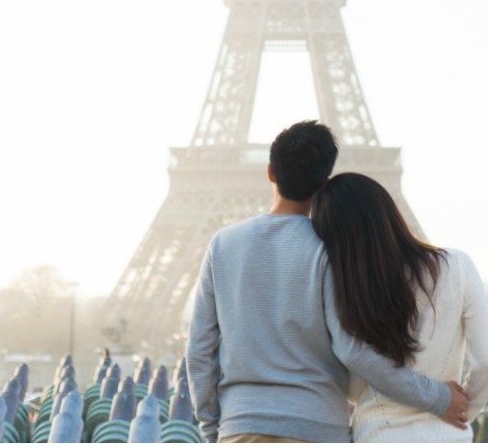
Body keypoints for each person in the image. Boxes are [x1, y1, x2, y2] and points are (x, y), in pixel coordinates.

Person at [185, 120, 471, 443]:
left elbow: (199, 350)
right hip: (318, 429)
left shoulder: (223, 245)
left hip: (241, 426)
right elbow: (354, 352)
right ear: (324, 183)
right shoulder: (330, 250)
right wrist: (436, 396)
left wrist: (213, 429)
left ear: (270, 173)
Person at [310, 172, 488, 441]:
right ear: (388, 211)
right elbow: (487, 364)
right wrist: (462, 412)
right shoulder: (458, 266)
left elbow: (353, 385)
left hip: (377, 434)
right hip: (447, 435)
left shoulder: (348, 294)